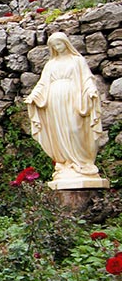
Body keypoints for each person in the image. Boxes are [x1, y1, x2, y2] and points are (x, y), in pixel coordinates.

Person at [24, 32, 105, 183]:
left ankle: (82, 162)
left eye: (59, 44)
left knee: (75, 129)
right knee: (58, 132)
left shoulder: (77, 60)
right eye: (54, 46)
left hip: (73, 98)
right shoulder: (51, 64)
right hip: (54, 102)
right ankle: (66, 164)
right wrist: (34, 96)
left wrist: (91, 89)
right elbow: (43, 84)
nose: (57, 47)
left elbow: (87, 78)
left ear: (66, 43)